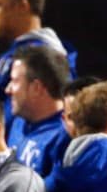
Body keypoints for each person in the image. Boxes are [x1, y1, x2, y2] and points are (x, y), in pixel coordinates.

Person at [5, 45, 71, 177]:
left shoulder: (65, 137)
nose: (8, 89)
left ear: (36, 87)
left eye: (14, 81)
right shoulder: (18, 121)